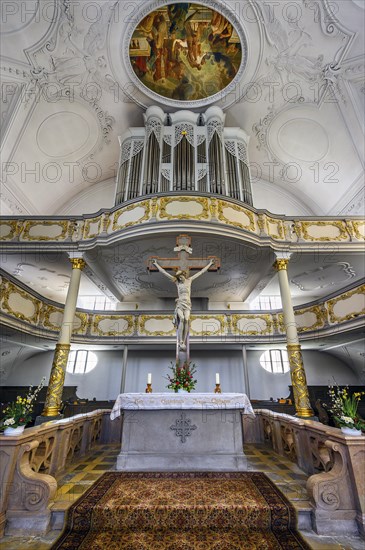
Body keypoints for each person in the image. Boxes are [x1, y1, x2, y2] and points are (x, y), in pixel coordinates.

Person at [152, 258, 215, 350]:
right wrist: (156, 264)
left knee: (186, 319)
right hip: (180, 304)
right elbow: (165, 273)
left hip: (188, 304)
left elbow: (201, 272)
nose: (180, 278)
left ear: (184, 275)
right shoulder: (178, 283)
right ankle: (180, 341)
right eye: (178, 277)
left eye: (181, 277)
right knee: (181, 319)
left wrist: (210, 264)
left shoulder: (189, 280)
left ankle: (184, 340)